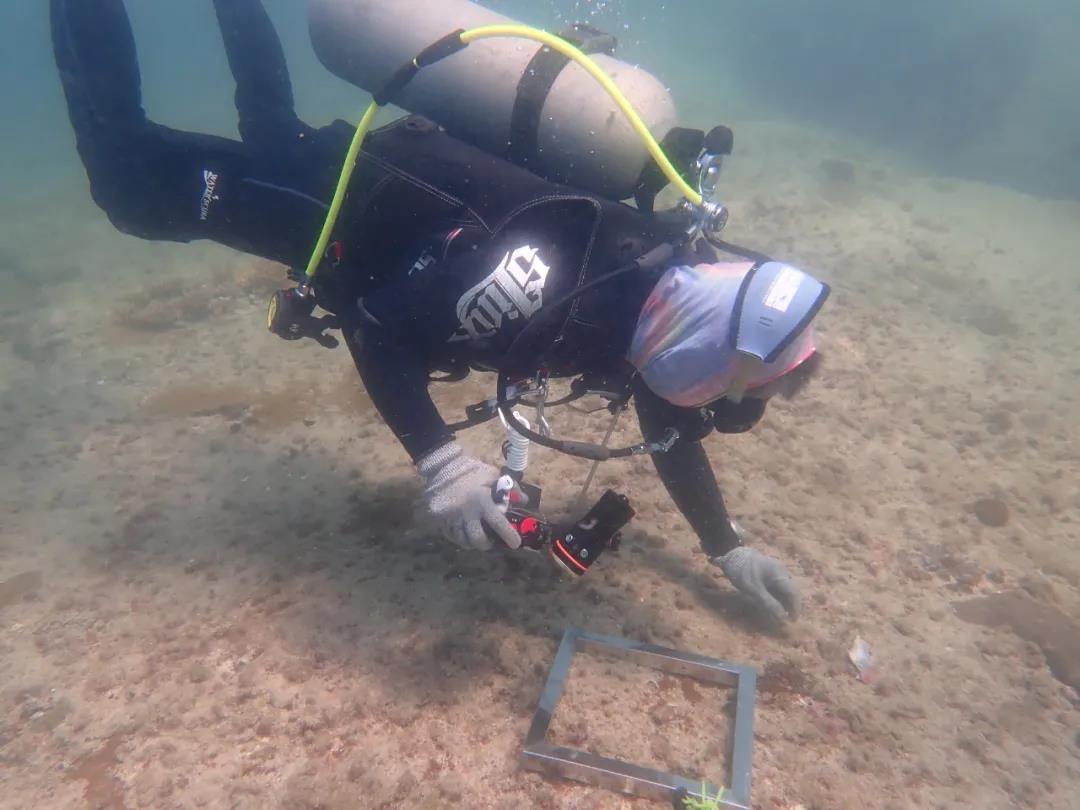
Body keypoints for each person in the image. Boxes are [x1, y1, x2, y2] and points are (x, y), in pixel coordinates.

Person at [52, 0, 826, 623]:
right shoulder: (546, 281)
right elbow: (379, 329)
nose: (721, 407)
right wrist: (443, 463)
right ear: (713, 345)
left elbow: (669, 426)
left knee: (272, 125)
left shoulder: (671, 289)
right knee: (128, 185)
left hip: (384, 184)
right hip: (333, 209)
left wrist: (725, 547)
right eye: (735, 389)